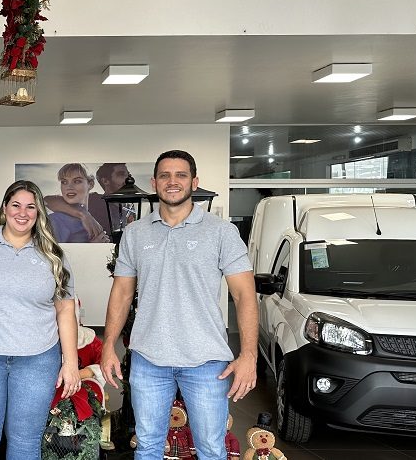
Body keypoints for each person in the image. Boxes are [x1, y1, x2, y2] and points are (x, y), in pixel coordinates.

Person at [99, 150, 258, 460]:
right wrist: (108, 346)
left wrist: (249, 355)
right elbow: (121, 293)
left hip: (207, 361)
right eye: (165, 175)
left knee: (211, 449)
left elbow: (245, 296)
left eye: (181, 175)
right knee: (147, 447)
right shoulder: (134, 233)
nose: (172, 181)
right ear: (154, 182)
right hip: (148, 359)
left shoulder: (221, 231)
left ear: (194, 182)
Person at [0, 180, 81, 460]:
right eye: (16, 205)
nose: (23, 213)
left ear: (39, 212)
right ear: (5, 208)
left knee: (24, 443)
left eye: (30, 207)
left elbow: (65, 310)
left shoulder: (54, 255)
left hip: (38, 361)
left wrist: (70, 363)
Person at [44, 163, 110, 243]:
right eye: (64, 182)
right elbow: (49, 251)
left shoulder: (98, 214)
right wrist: (92, 247)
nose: (69, 187)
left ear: (91, 184)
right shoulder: (56, 220)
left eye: (77, 181)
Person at [86, 162, 133, 234]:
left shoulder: (130, 207)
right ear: (105, 181)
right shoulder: (93, 201)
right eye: (121, 174)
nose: (128, 179)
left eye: (128, 175)